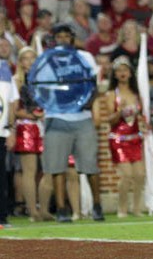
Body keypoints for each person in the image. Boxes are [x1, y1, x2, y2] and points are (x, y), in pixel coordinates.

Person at [40, 24, 105, 222]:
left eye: (66, 36)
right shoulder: (45, 61)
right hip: (56, 118)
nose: (63, 39)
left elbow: (93, 86)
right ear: (54, 39)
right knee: (57, 167)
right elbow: (40, 90)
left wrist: (88, 103)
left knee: (90, 166)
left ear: (72, 38)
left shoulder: (85, 57)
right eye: (59, 36)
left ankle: (96, 205)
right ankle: (61, 209)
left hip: (82, 118)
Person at [103, 56, 146, 218]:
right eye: (119, 70)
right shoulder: (111, 94)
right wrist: (119, 111)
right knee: (126, 175)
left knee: (140, 175)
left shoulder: (136, 93)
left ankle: (136, 208)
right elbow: (110, 120)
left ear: (130, 73)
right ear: (114, 74)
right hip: (119, 139)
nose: (122, 73)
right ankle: (122, 208)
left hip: (135, 138)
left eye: (125, 70)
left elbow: (140, 115)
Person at [13, 47, 45, 221]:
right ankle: (32, 209)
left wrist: (44, 114)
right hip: (26, 126)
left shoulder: (43, 81)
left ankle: (44, 207)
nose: (30, 62)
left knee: (46, 169)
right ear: (20, 62)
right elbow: (12, 109)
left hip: (43, 126)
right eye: (26, 58)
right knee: (29, 171)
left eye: (33, 58)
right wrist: (31, 115)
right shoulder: (16, 81)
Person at [0, 37, 18, 227]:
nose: (5, 48)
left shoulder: (6, 71)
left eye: (7, 45)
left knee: (2, 176)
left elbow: (12, 102)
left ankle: (1, 217)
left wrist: (11, 129)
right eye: (1, 45)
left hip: (1, 132)